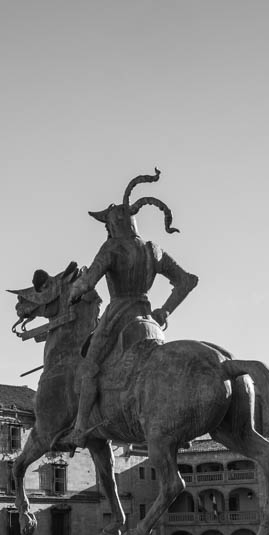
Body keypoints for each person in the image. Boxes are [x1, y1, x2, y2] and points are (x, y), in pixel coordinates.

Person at [66, 171, 198, 447]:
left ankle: (79, 428)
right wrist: (166, 311)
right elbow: (187, 281)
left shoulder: (111, 248)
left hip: (118, 317)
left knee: (89, 368)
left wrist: (74, 291)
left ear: (112, 224)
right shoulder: (153, 249)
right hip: (149, 321)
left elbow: (89, 281)